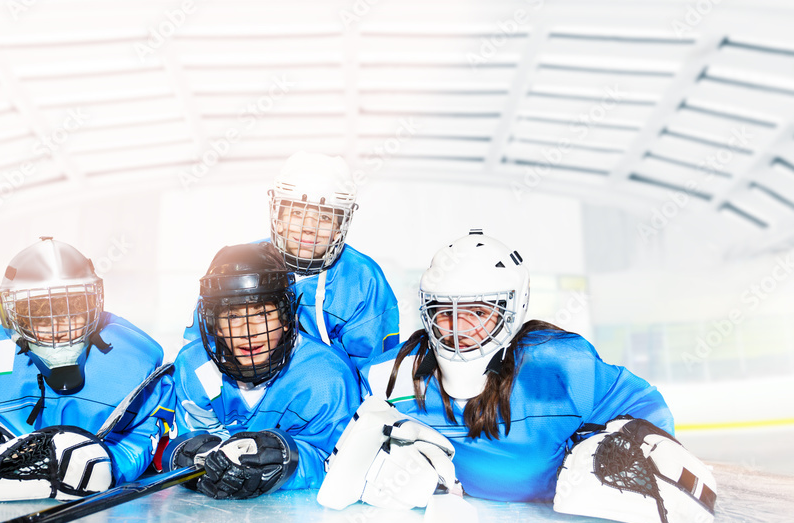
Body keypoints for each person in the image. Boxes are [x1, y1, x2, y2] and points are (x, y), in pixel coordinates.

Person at [355, 231, 676, 503]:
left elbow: (645, 407)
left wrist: (617, 460)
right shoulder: (388, 377)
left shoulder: (559, 367)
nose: (459, 328)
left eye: (478, 312)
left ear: (511, 311)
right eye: (445, 312)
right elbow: (341, 440)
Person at [0, 237, 175, 501]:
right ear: (18, 319)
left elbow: (141, 436)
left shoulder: (137, 365)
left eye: (70, 313)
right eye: (41, 317)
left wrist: (111, 465)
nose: (58, 328)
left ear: (93, 308)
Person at [165, 242, 361, 499]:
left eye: (261, 314)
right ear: (215, 325)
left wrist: (287, 462)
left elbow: (341, 464)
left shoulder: (326, 377)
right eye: (233, 316)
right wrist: (195, 458)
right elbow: (193, 438)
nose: (248, 331)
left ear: (286, 317)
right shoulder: (194, 366)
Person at [184, 151, 400, 371]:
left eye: (325, 216)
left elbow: (374, 372)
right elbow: (198, 356)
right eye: (297, 213)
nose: (309, 227)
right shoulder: (238, 266)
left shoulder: (363, 280)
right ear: (278, 218)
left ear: (339, 228)